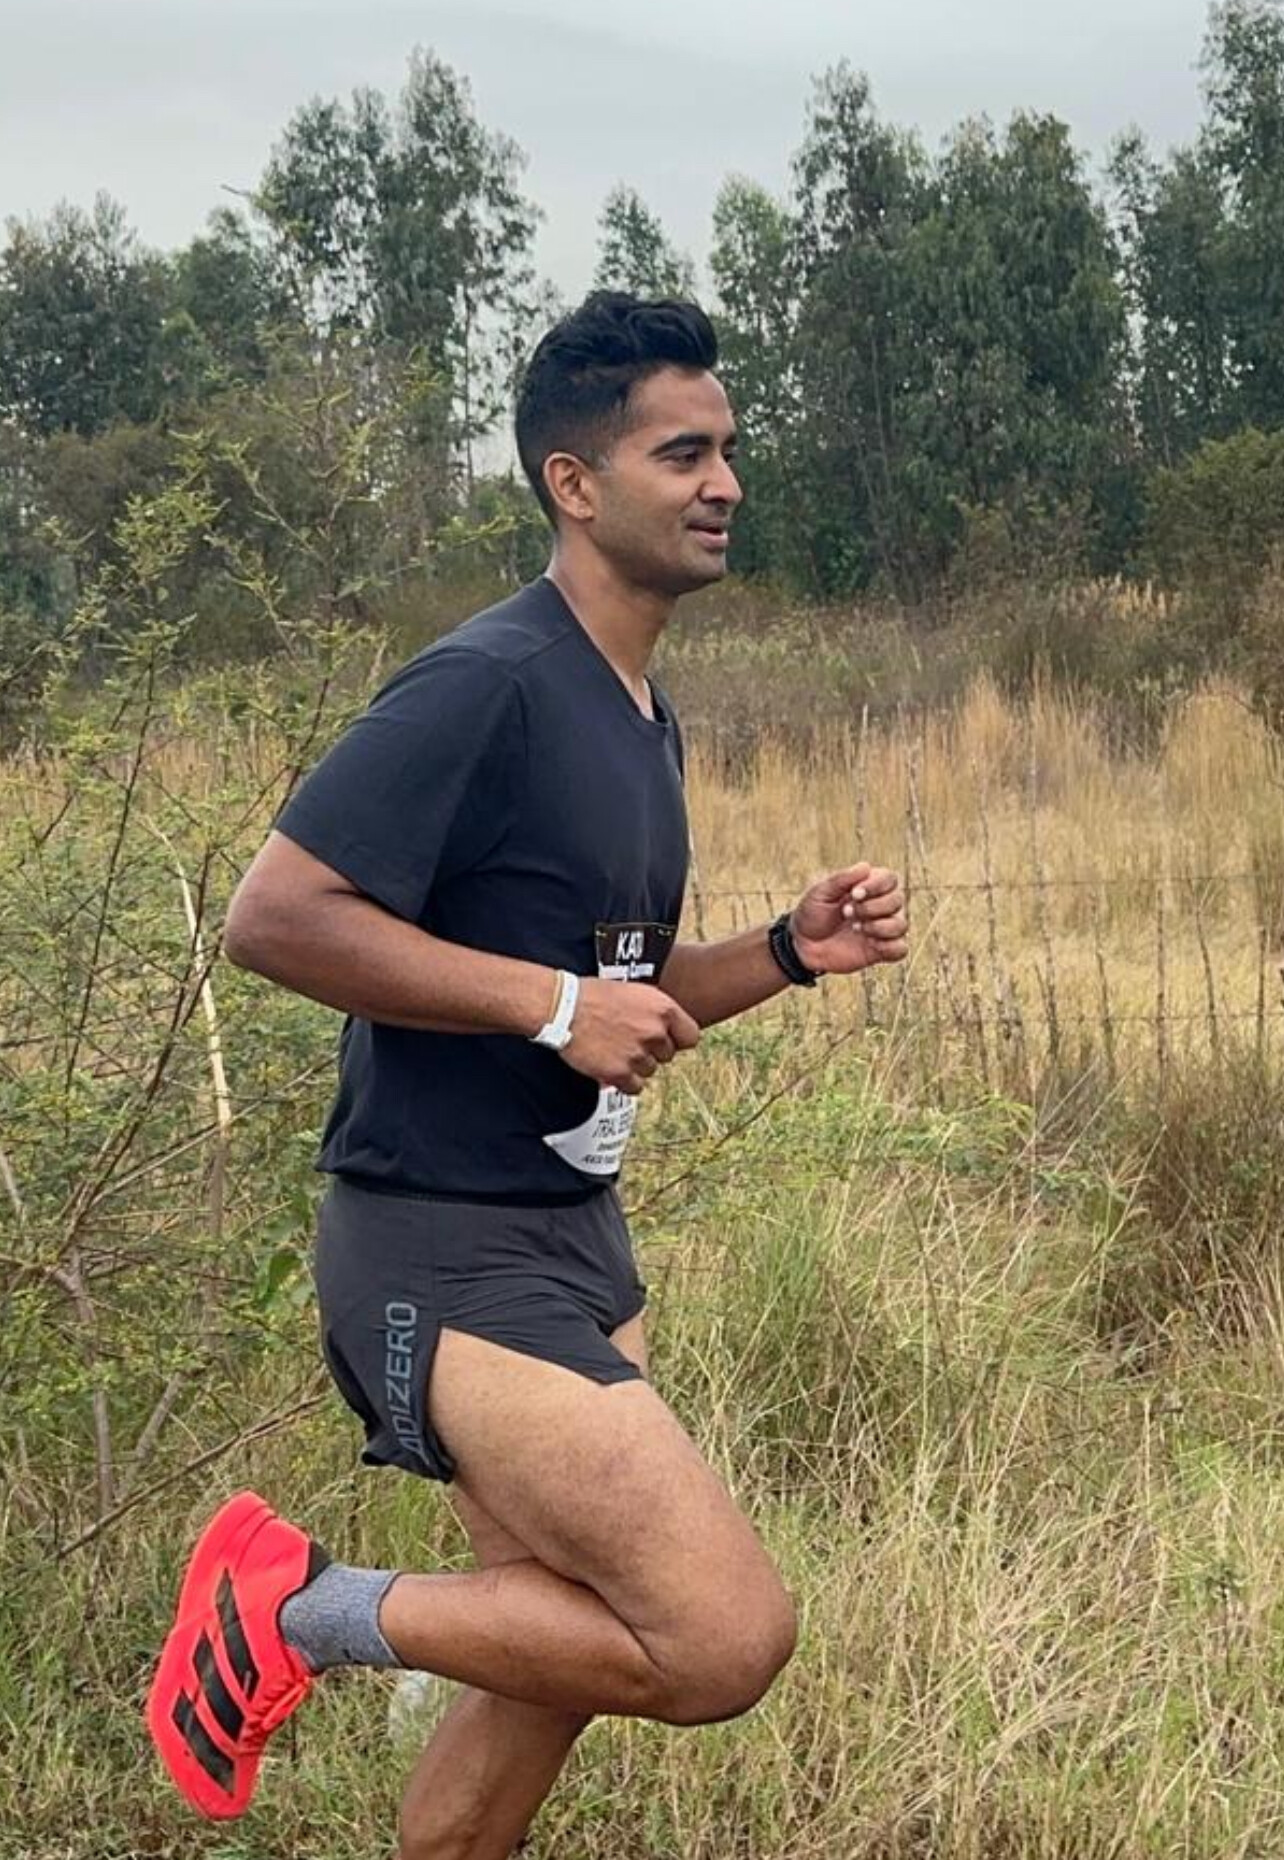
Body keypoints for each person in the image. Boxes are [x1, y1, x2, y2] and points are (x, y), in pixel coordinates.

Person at [145, 291, 909, 1858]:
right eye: (682, 454)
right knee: (718, 1638)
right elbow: (276, 916)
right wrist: (551, 1005)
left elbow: (620, 1001)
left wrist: (782, 950)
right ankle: (298, 1610)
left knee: (547, 1648)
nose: (725, 484)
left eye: (729, 451)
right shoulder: (485, 682)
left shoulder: (639, 713)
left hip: (573, 1239)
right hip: (439, 1242)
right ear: (575, 482)